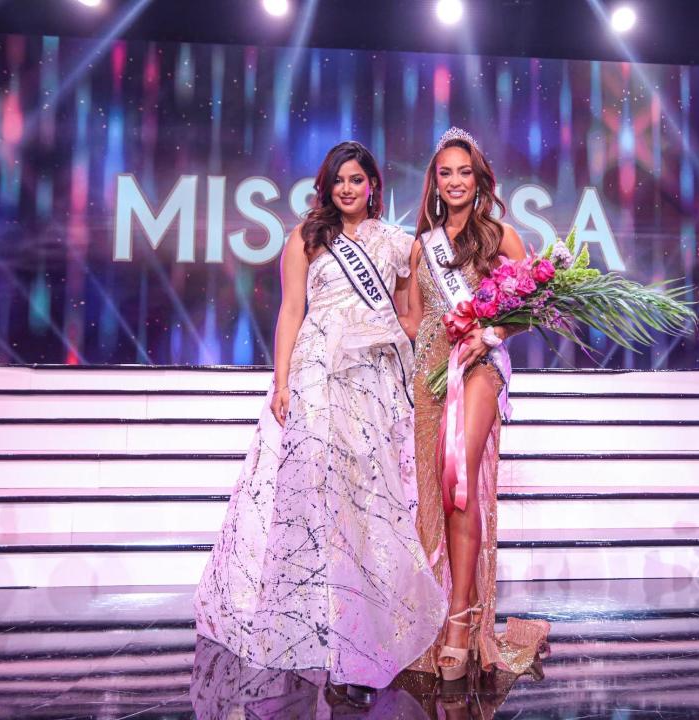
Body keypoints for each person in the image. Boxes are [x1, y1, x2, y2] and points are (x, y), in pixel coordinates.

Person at [194, 141, 445, 705]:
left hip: (373, 381)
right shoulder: (307, 237)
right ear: (327, 186)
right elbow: (290, 311)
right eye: (339, 181)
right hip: (315, 374)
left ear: (374, 184)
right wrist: (281, 382)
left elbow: (409, 319)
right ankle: (318, 633)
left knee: (365, 506)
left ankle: (361, 636)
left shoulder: (398, 244)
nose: (348, 189)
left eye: (357, 179)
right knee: (314, 502)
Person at [403, 128, 550, 682]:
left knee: (458, 483)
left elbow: (535, 307)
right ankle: (440, 614)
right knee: (435, 499)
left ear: (479, 178)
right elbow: (415, 321)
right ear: (435, 182)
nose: (456, 181)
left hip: (480, 369)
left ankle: (463, 623)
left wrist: (491, 334)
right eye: (446, 172)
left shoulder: (501, 237)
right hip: (429, 378)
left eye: (465, 171)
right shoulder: (423, 245)